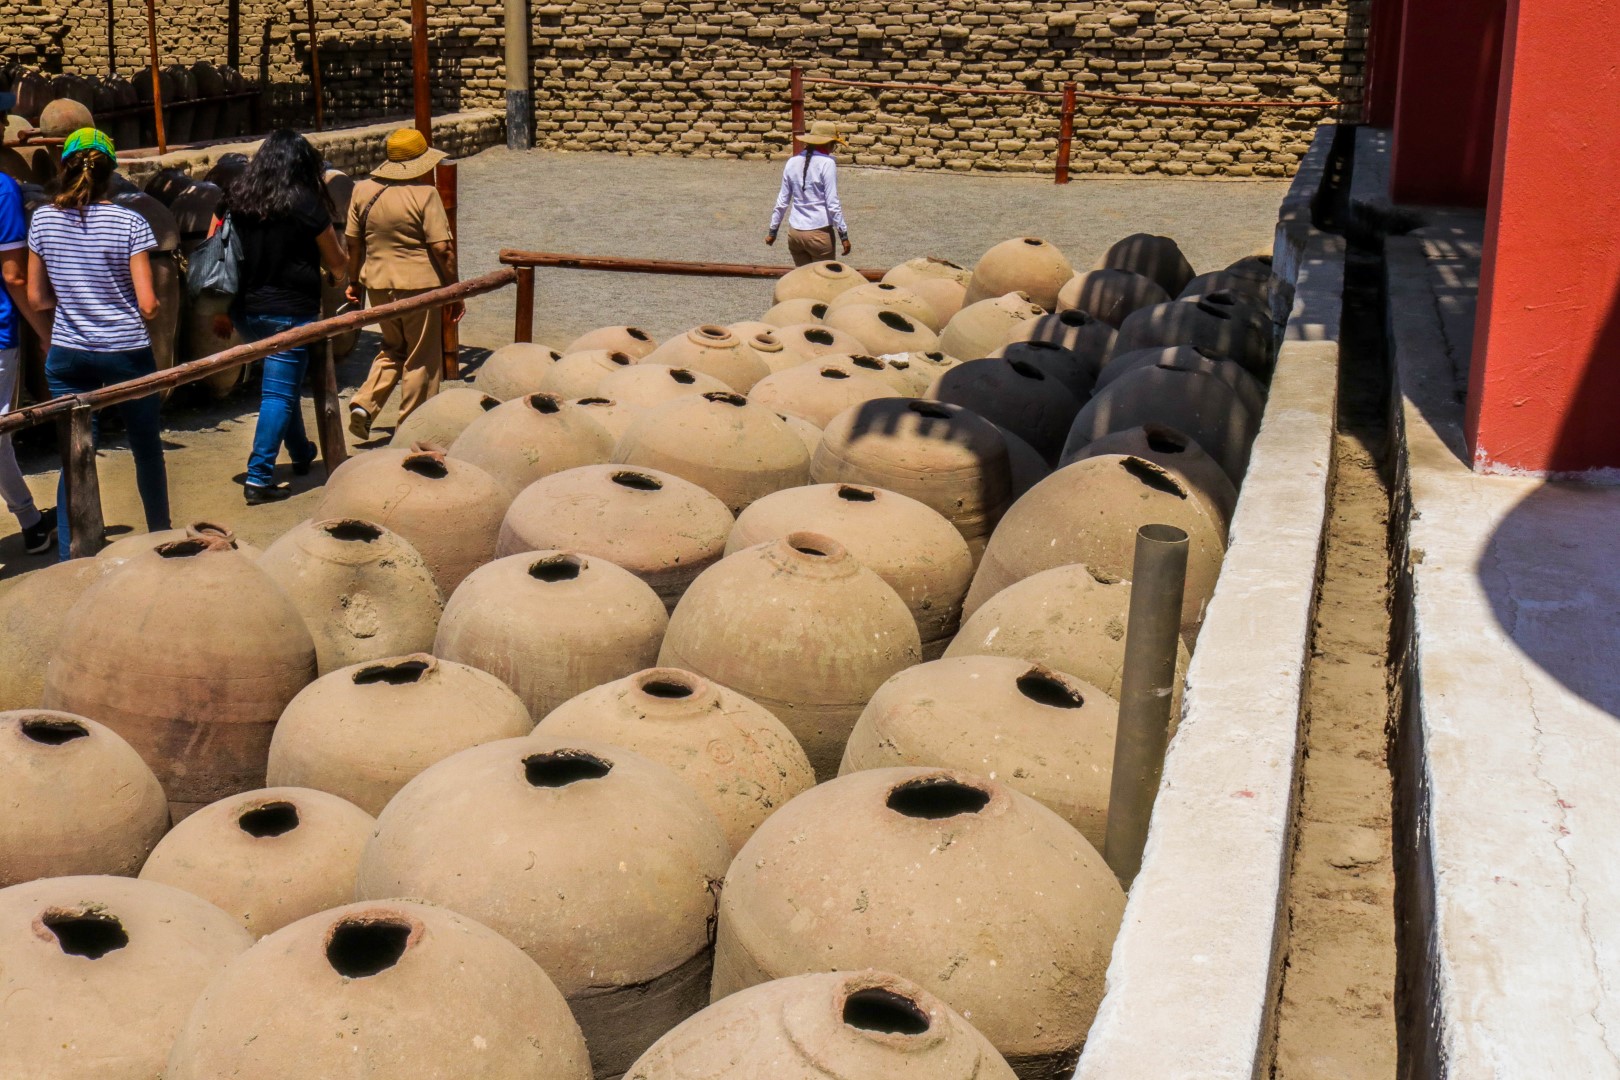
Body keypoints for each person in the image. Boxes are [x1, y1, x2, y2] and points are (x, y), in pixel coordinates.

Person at [26, 128, 169, 561]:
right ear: (112, 173)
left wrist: (73, 298)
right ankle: (160, 538)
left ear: (63, 167)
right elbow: (147, 306)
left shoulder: (43, 219)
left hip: (68, 353)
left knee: (75, 454)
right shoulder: (130, 222)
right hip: (125, 351)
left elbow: (37, 298)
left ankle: (74, 554)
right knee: (146, 446)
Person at [226, 129, 348, 504]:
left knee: (284, 383)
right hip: (290, 311)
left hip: (247, 310)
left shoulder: (240, 197)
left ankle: (300, 453)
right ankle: (259, 476)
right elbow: (337, 261)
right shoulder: (305, 203)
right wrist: (339, 274)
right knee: (278, 393)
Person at [344, 129, 459, 439]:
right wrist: (455, 291)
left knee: (393, 347)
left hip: (379, 284)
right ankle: (412, 428)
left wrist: (354, 282)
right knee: (422, 357)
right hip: (419, 286)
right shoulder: (426, 194)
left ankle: (365, 404)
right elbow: (442, 249)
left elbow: (353, 244)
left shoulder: (362, 190)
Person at [0, 167, 53, 553]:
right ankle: (31, 522)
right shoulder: (2, 189)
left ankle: (31, 521)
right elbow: (14, 275)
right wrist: (47, 333)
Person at [765, 121, 852, 266]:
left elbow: (782, 201)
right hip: (819, 233)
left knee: (803, 281)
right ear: (828, 144)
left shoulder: (792, 162)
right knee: (824, 282)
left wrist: (773, 231)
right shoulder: (827, 163)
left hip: (795, 234)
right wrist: (843, 235)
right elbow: (832, 203)